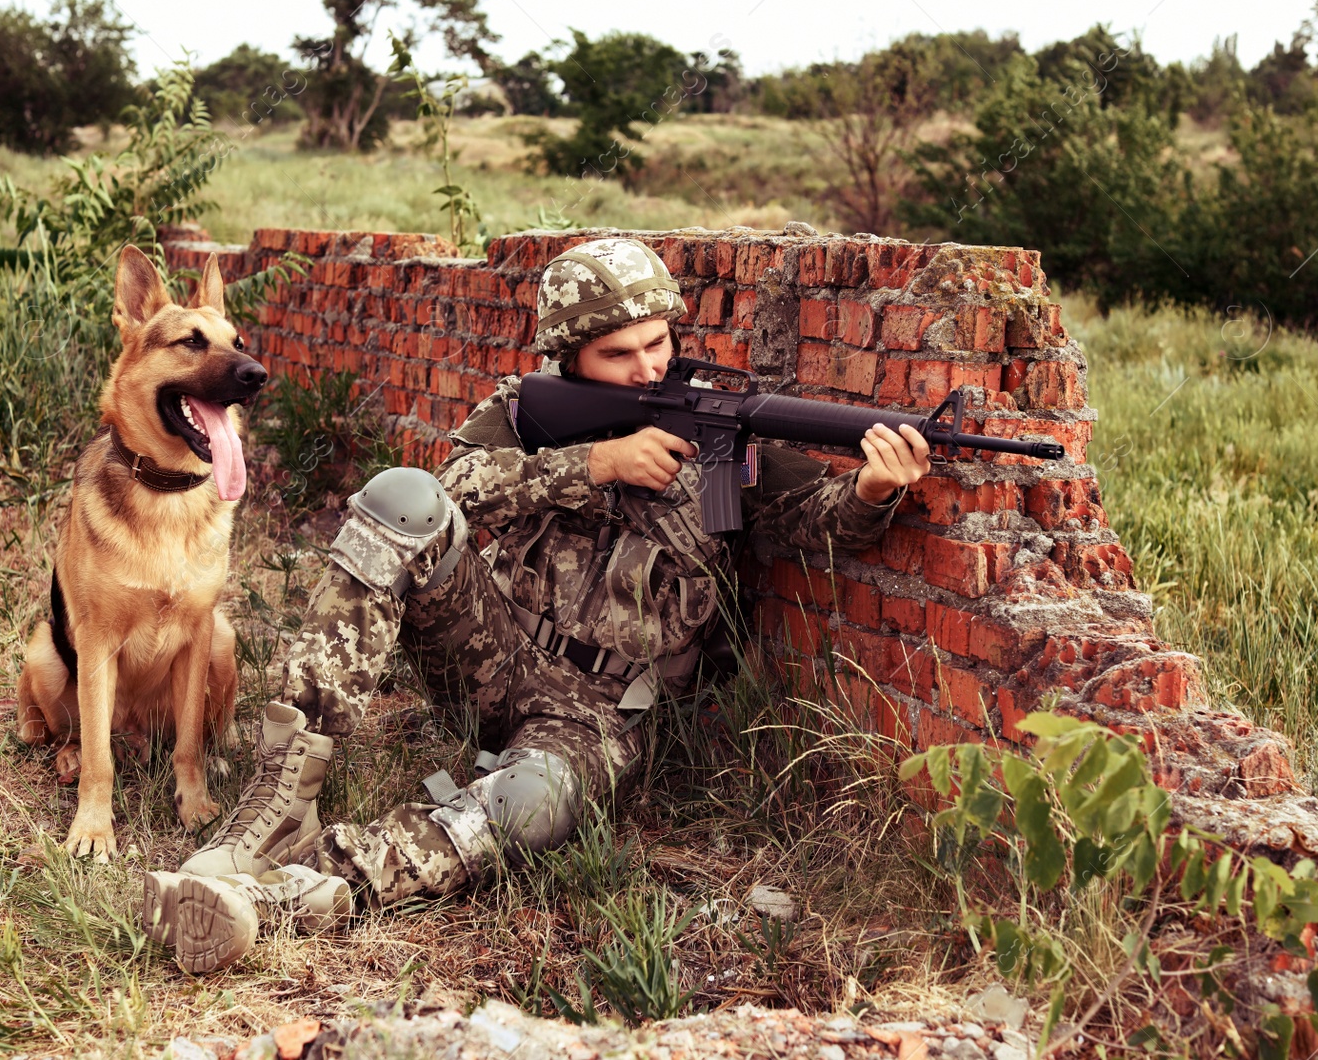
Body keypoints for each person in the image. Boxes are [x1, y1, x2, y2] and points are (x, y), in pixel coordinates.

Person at [140, 238, 932, 972]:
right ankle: (280, 801)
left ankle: (289, 894)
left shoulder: (725, 433)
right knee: (399, 498)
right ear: (569, 356)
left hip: (597, 717)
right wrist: (593, 463)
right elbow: (449, 491)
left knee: (530, 802)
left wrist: (871, 489)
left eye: (657, 343)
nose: (647, 368)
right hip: (493, 658)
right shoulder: (528, 414)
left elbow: (815, 523)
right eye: (617, 354)